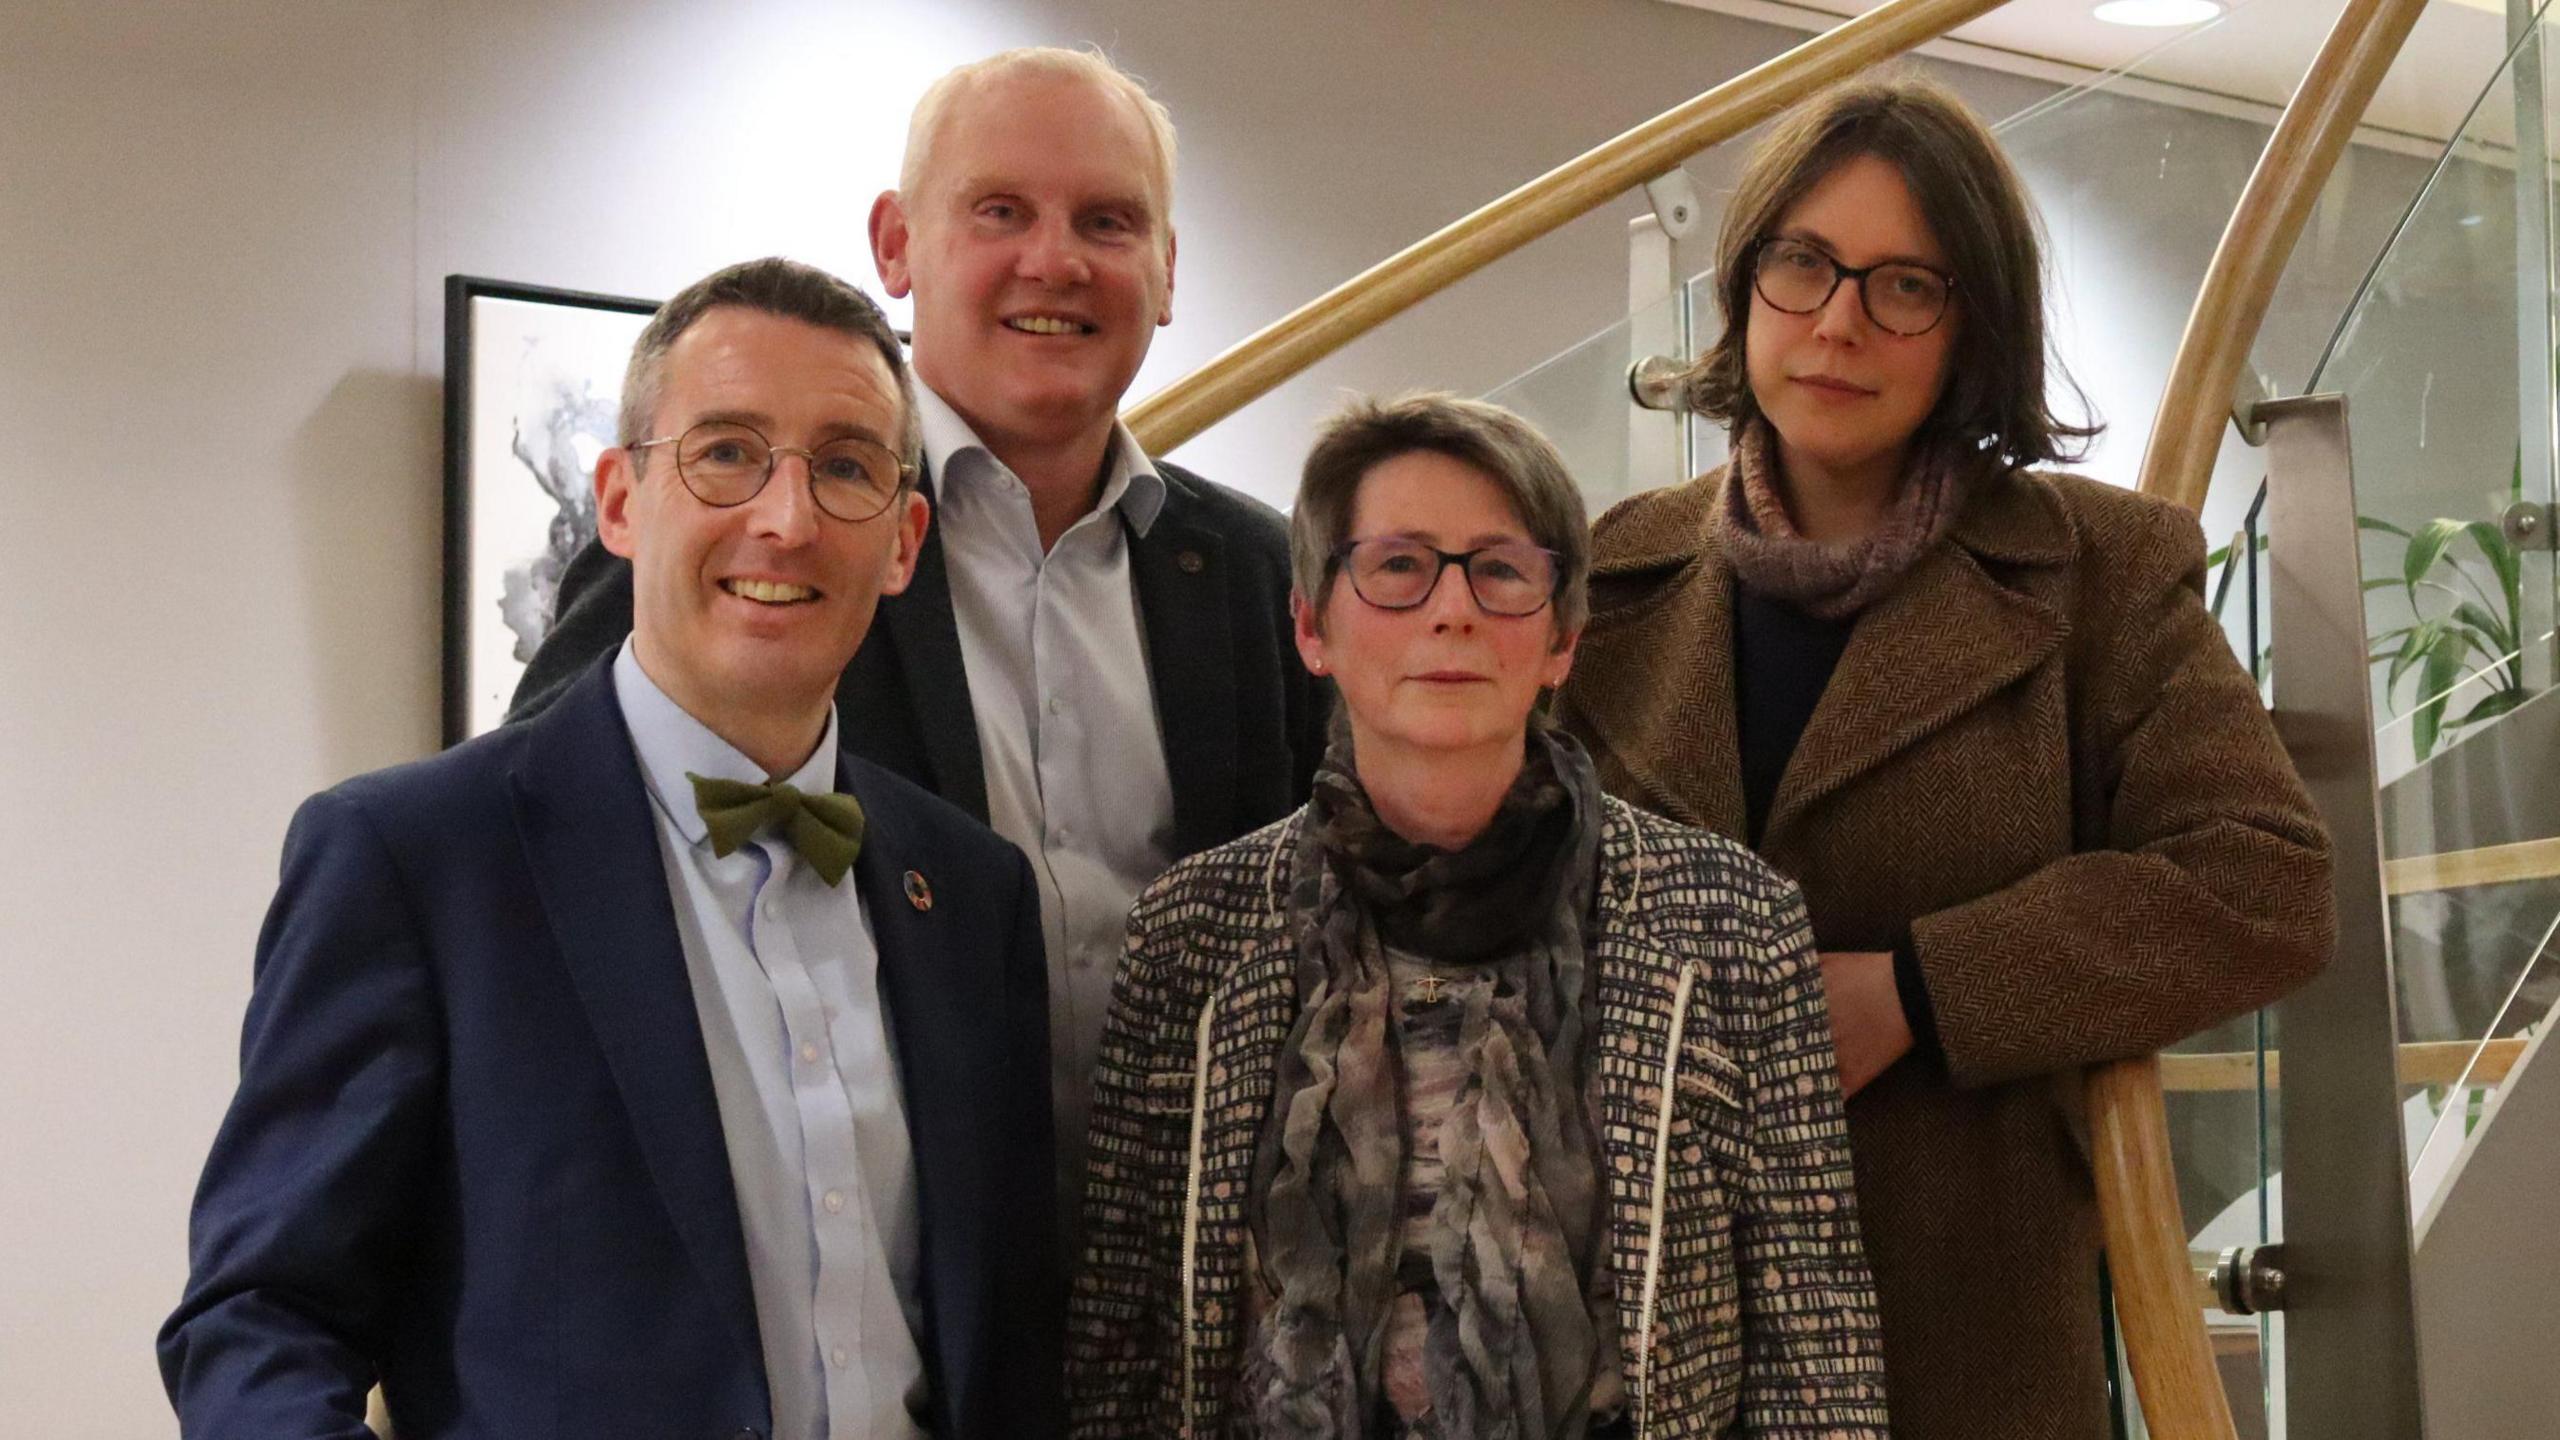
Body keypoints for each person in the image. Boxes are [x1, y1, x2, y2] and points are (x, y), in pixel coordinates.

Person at [1552, 75, 2336, 1439]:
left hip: (1961, 1322)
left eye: (1906, 283)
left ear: (1972, 323)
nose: (1841, 320)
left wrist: (1917, 988)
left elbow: (2261, 881)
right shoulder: (1610, 572)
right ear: (1744, 287)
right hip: (1630, 1324)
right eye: (1805, 264)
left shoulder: (2101, 568)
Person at [161, 259, 1061, 1439]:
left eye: (843, 467)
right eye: (728, 452)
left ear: (902, 541)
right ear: (621, 503)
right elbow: (262, 1319)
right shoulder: (414, 859)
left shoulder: (973, 891)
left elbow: (1004, 1338)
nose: (785, 520)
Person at [511, 48, 1326, 1224]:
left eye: (1107, 221)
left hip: (1181, 1301)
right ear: (895, 244)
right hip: (854, 1284)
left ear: (1164, 270)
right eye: (1000, 211)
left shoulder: (1257, 575)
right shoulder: (759, 538)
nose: (1054, 260)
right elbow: (541, 851)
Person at [1069, 394, 1888, 1439]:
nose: (1450, 611)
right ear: (1312, 626)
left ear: (1561, 638)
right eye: (1399, 566)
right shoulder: (1193, 933)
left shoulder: (1730, 921)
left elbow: (1813, 1345)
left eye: (1499, 570)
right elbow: (1123, 1342)